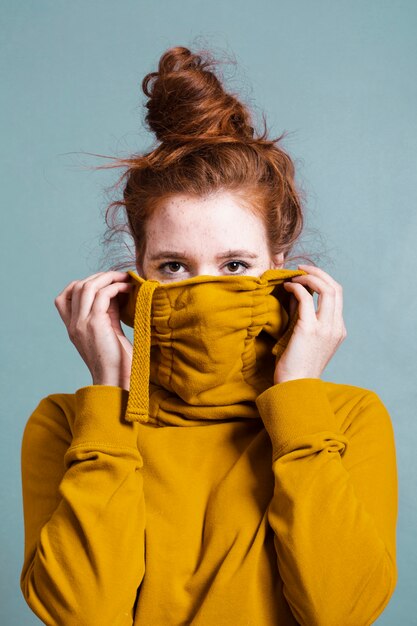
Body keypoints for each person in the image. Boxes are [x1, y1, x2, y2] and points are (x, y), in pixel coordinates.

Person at [20, 45, 398, 626]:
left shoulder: (346, 419)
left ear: (281, 264)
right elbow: (82, 615)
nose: (203, 292)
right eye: (174, 266)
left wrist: (296, 399)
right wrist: (108, 402)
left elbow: (341, 611)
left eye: (236, 265)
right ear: (134, 273)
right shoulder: (67, 423)